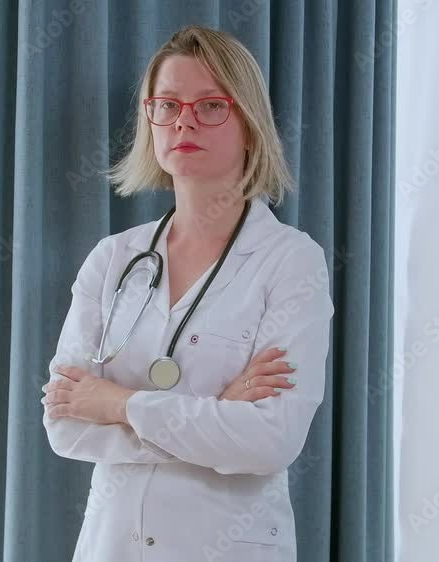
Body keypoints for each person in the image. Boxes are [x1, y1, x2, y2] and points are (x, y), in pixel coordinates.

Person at [41, 24, 333, 562]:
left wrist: (117, 404)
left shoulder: (291, 261)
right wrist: (216, 413)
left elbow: (271, 441)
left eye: (211, 105)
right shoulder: (113, 258)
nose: (184, 121)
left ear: (249, 125)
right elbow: (65, 426)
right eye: (168, 105)